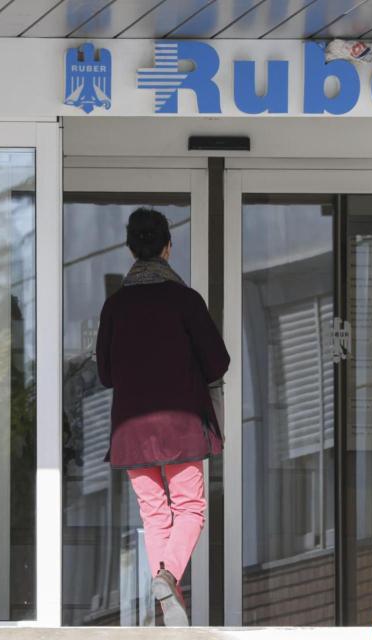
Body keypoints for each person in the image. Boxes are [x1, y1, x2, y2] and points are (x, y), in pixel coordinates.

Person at [95, 207, 229, 627]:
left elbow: (104, 373)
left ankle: (167, 602)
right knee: (190, 508)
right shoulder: (185, 301)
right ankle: (168, 578)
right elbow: (218, 362)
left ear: (131, 249)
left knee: (155, 515)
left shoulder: (115, 306)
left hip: (132, 430)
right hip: (181, 424)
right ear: (168, 248)